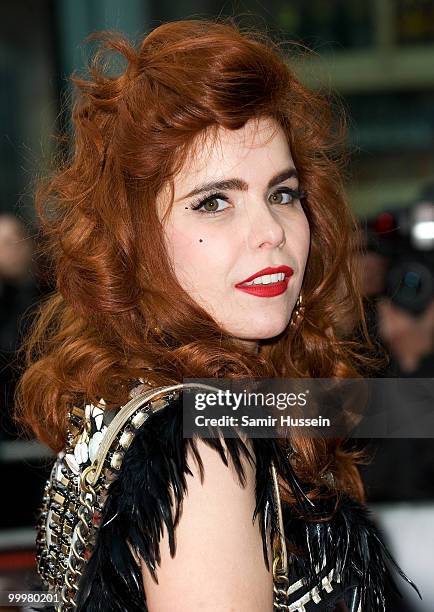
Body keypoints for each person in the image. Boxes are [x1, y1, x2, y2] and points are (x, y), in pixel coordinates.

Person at [14, 19, 418, 612]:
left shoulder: (165, 402)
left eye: (282, 193)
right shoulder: (205, 447)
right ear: (135, 240)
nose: (271, 233)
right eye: (214, 202)